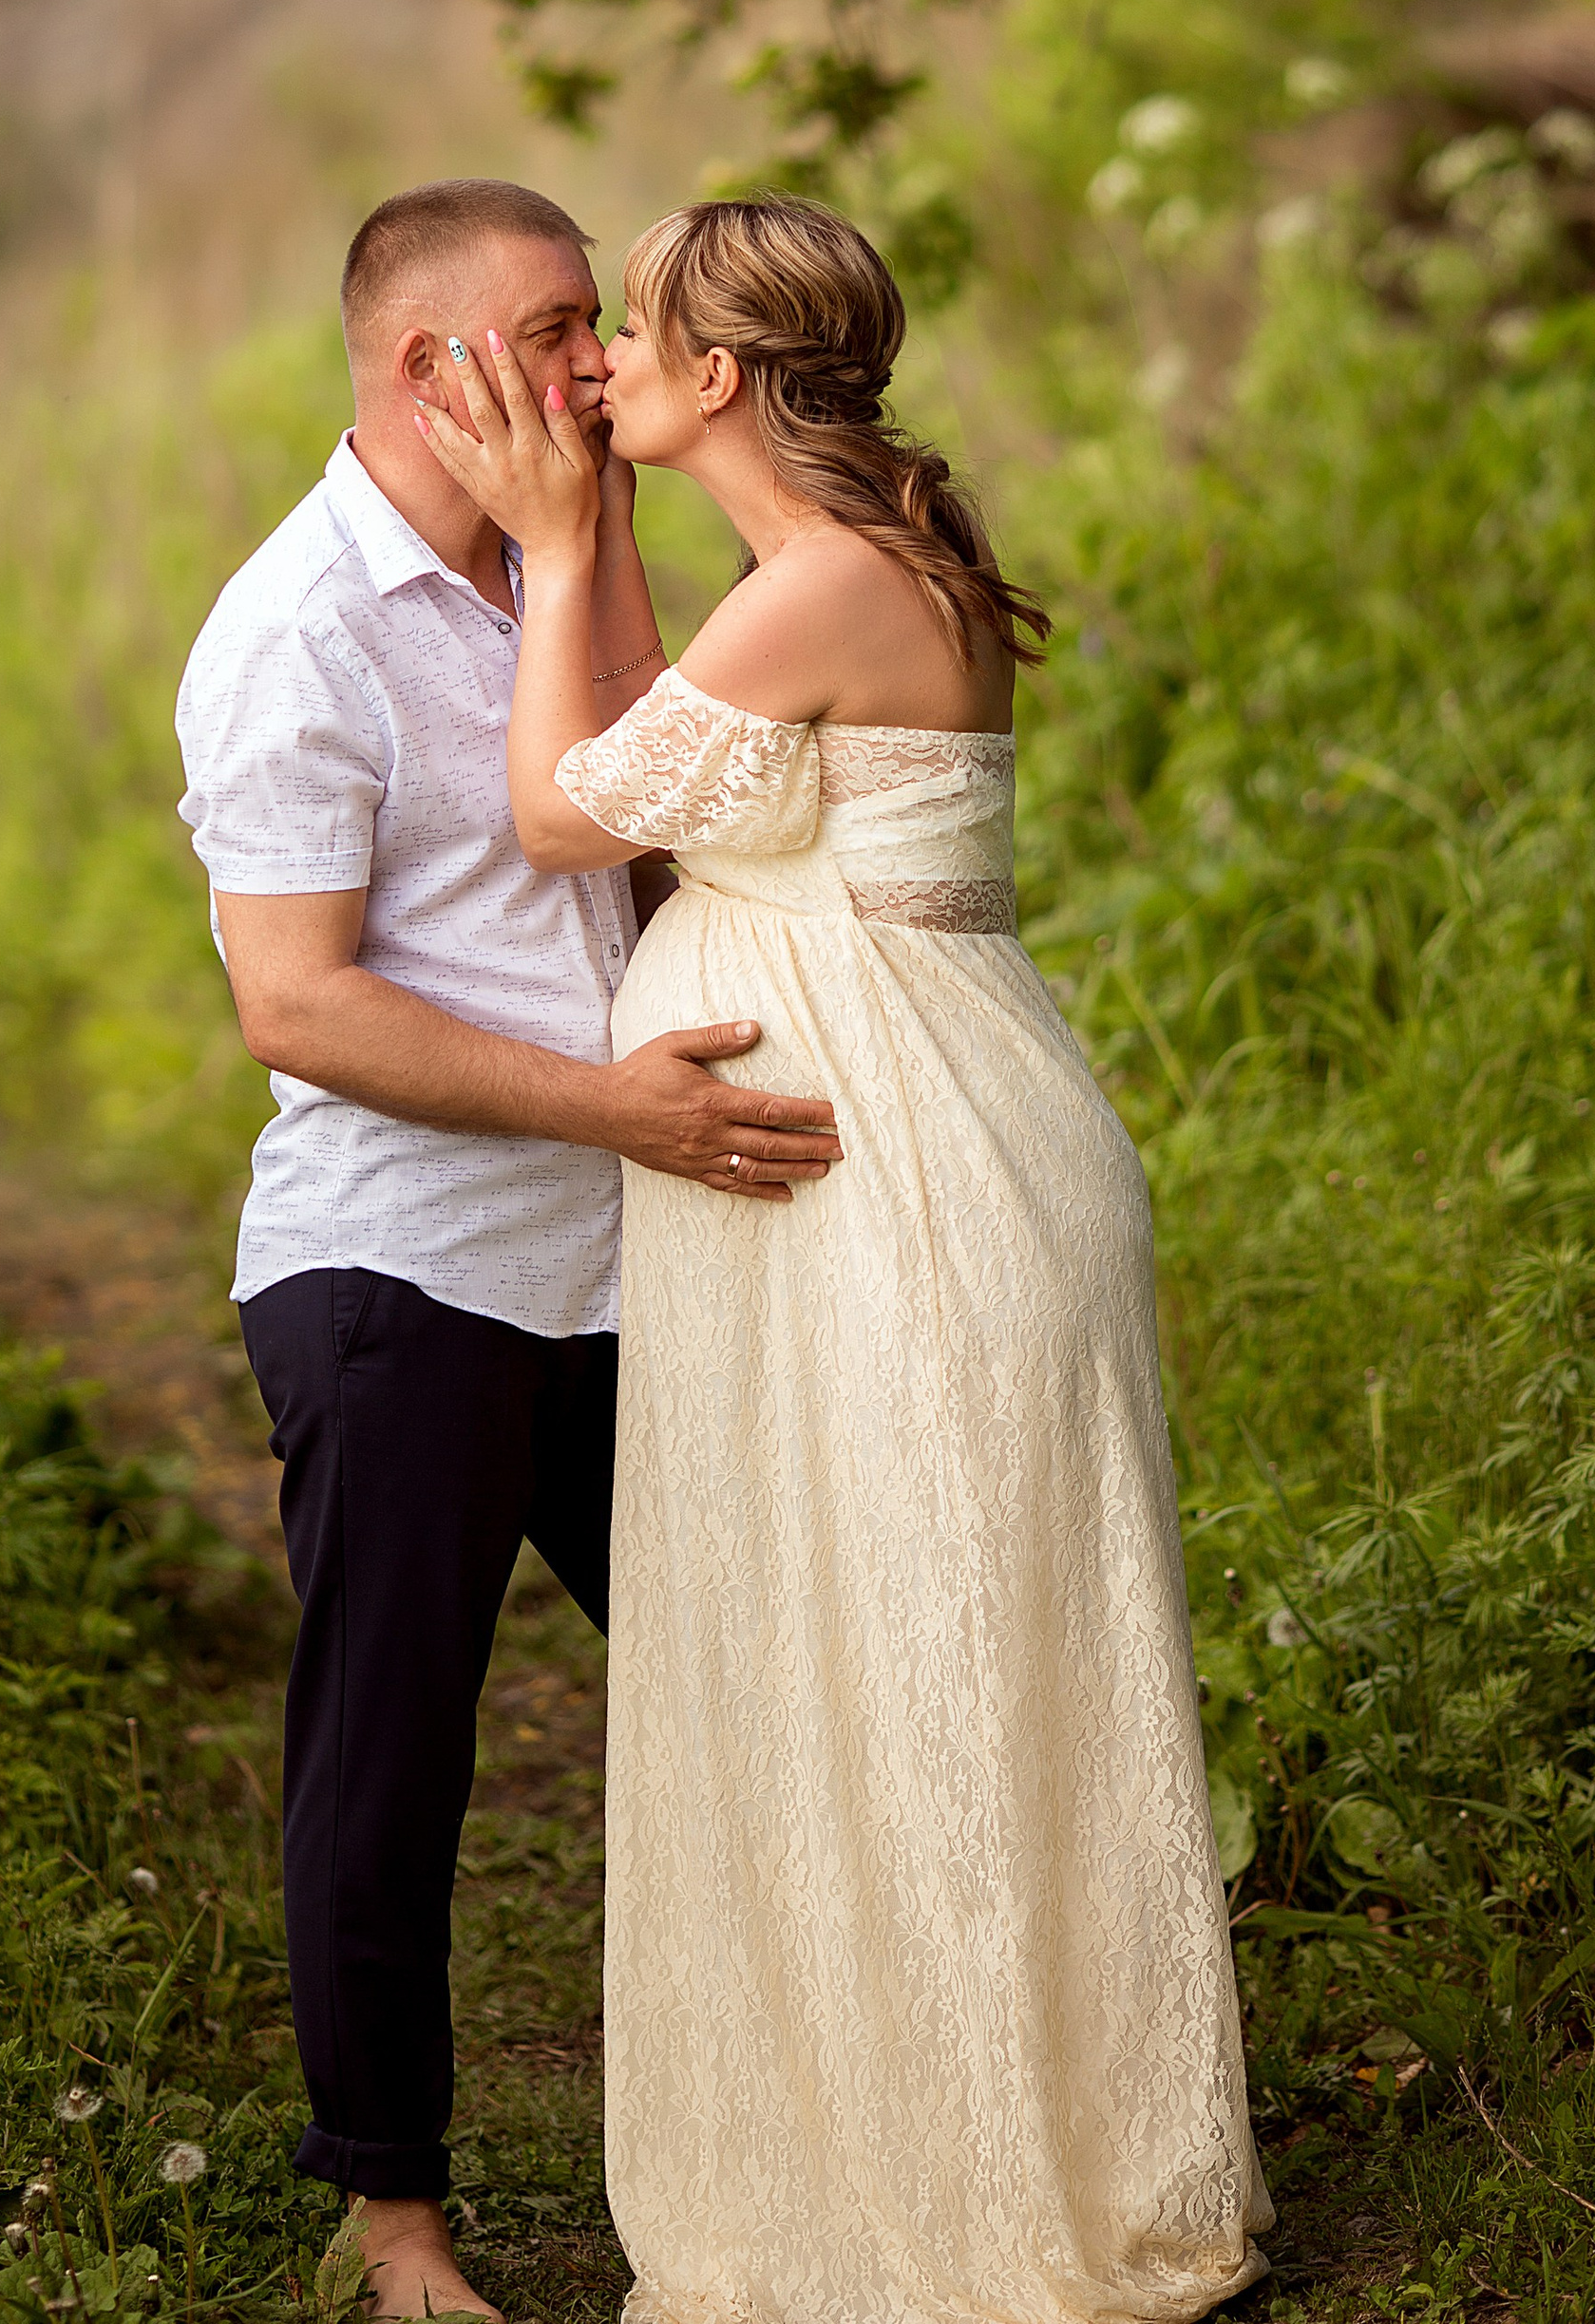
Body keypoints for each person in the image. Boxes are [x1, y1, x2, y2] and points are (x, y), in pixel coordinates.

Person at [416, 193, 1272, 2324]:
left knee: (933, 1655)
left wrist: (539, 538)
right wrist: (591, 537)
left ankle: (982, 2180)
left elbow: (558, 808)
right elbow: (647, 737)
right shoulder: (807, 575)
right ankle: (911, 2129)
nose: (596, 359)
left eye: (627, 329)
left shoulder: (817, 587)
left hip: (905, 1191)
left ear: (716, 380)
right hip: (860, 1183)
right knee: (866, 1653)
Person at [174, 179, 842, 2324]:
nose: (592, 361)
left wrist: (596, 541)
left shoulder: (553, 567)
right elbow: (295, 1005)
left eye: (591, 326)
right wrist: (613, 1106)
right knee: (396, 1748)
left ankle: (825, 2128)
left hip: (645, 1256)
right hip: (407, 1270)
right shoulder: (292, 630)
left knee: (769, 1686)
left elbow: (654, 824)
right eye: (555, 326)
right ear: (423, 368)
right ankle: (396, 2228)